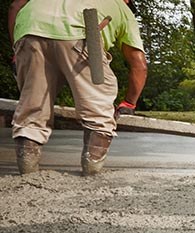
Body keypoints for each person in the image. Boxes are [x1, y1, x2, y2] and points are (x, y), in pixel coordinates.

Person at [8, 0, 147, 176]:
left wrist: (17, 51)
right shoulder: (122, 8)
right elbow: (139, 65)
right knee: (98, 110)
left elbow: (14, 6)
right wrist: (129, 103)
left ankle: (27, 173)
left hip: (30, 31)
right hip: (82, 34)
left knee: (32, 108)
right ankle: (91, 173)